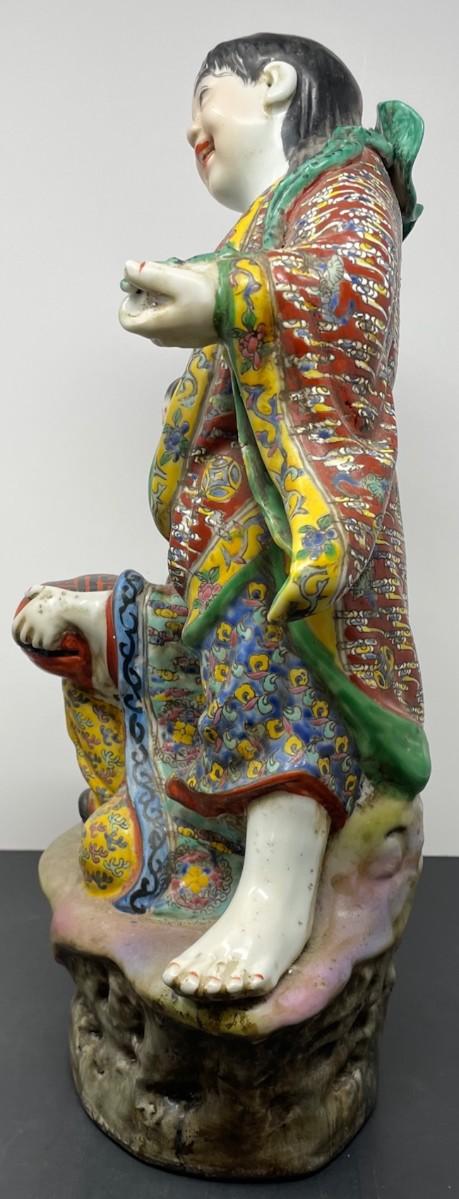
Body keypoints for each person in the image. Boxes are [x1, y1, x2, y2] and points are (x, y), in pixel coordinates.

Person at [13, 34, 430, 1000]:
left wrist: (227, 293)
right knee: (196, 655)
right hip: (213, 550)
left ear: (272, 84)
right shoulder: (265, 223)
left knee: (268, 658)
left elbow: (344, 292)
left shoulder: (347, 186)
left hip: (281, 539)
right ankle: (132, 676)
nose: (190, 128)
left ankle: (278, 891)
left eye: (206, 96)